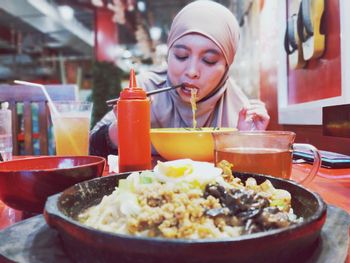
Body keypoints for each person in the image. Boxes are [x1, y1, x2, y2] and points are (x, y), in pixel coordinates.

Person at [89, 0, 270, 158]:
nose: (191, 71)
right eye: (181, 56)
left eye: (209, 60)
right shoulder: (145, 89)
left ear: (226, 67)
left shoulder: (239, 109)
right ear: (169, 54)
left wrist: (248, 142)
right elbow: (88, 146)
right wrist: (121, 130)